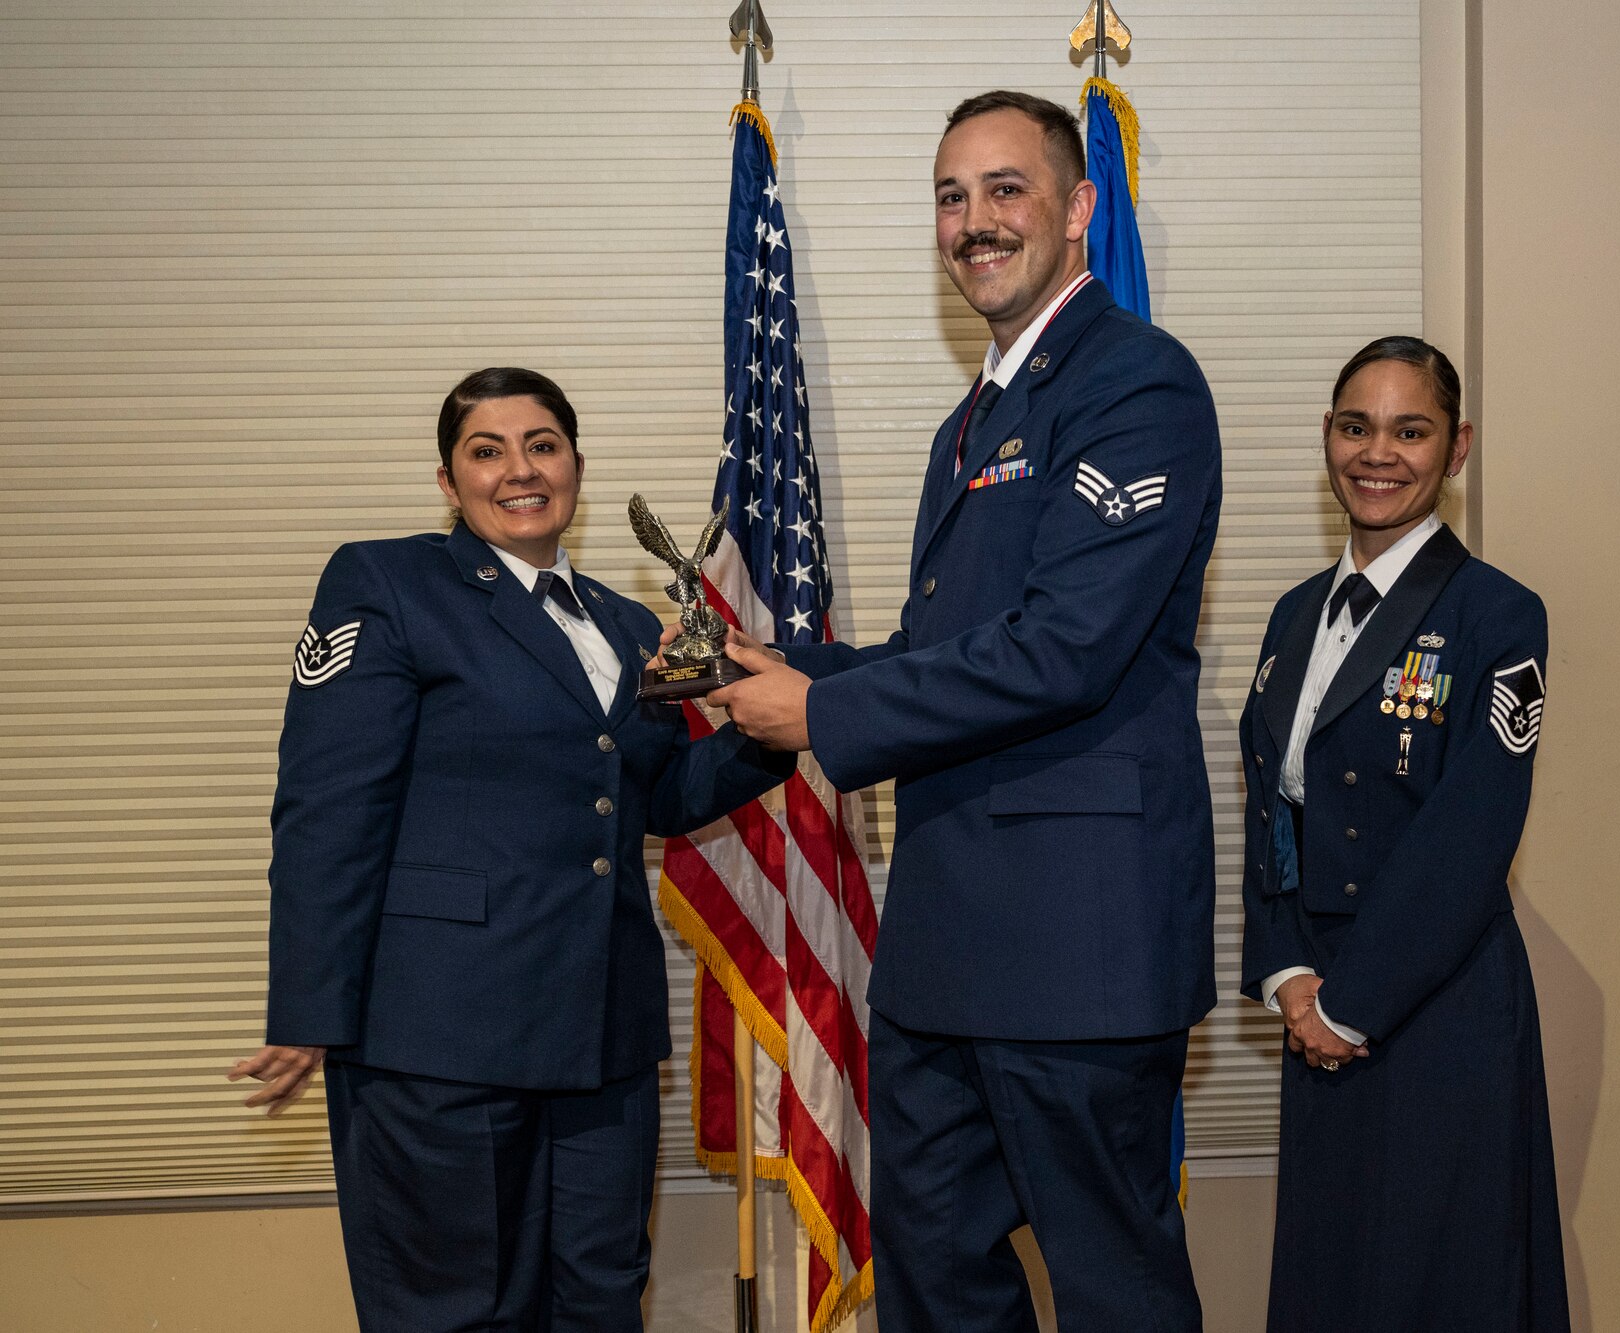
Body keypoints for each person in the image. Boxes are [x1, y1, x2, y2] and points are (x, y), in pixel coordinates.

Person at [706, 90, 1220, 1331]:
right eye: (951, 194)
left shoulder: (1135, 382)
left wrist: (820, 719)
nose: (974, 220)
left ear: (1076, 206)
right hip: (945, 952)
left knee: (1112, 1287)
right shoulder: (971, 418)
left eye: (1005, 188)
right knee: (935, 1277)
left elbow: (1063, 651)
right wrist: (787, 667)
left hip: (1078, 947)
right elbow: (949, 652)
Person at [227, 367, 793, 1332]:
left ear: (575, 462)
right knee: (455, 1309)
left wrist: (778, 725)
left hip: (601, 1038)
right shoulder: (388, 583)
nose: (518, 469)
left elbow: (654, 798)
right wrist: (311, 1003)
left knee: (601, 1297)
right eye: (486, 451)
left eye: (542, 444)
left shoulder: (624, 622)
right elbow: (329, 806)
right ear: (449, 484)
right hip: (439, 1036)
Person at [1238, 336, 1569, 1330]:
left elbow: (1469, 835)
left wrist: (1351, 1004)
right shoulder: (1294, 614)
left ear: (1455, 447)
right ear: (1326, 438)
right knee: (1333, 1275)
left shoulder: (1496, 615)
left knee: (1439, 1283)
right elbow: (1272, 809)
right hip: (1318, 999)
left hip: (1433, 1001)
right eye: (1354, 426)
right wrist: (1287, 971)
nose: (1376, 453)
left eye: (1408, 430)